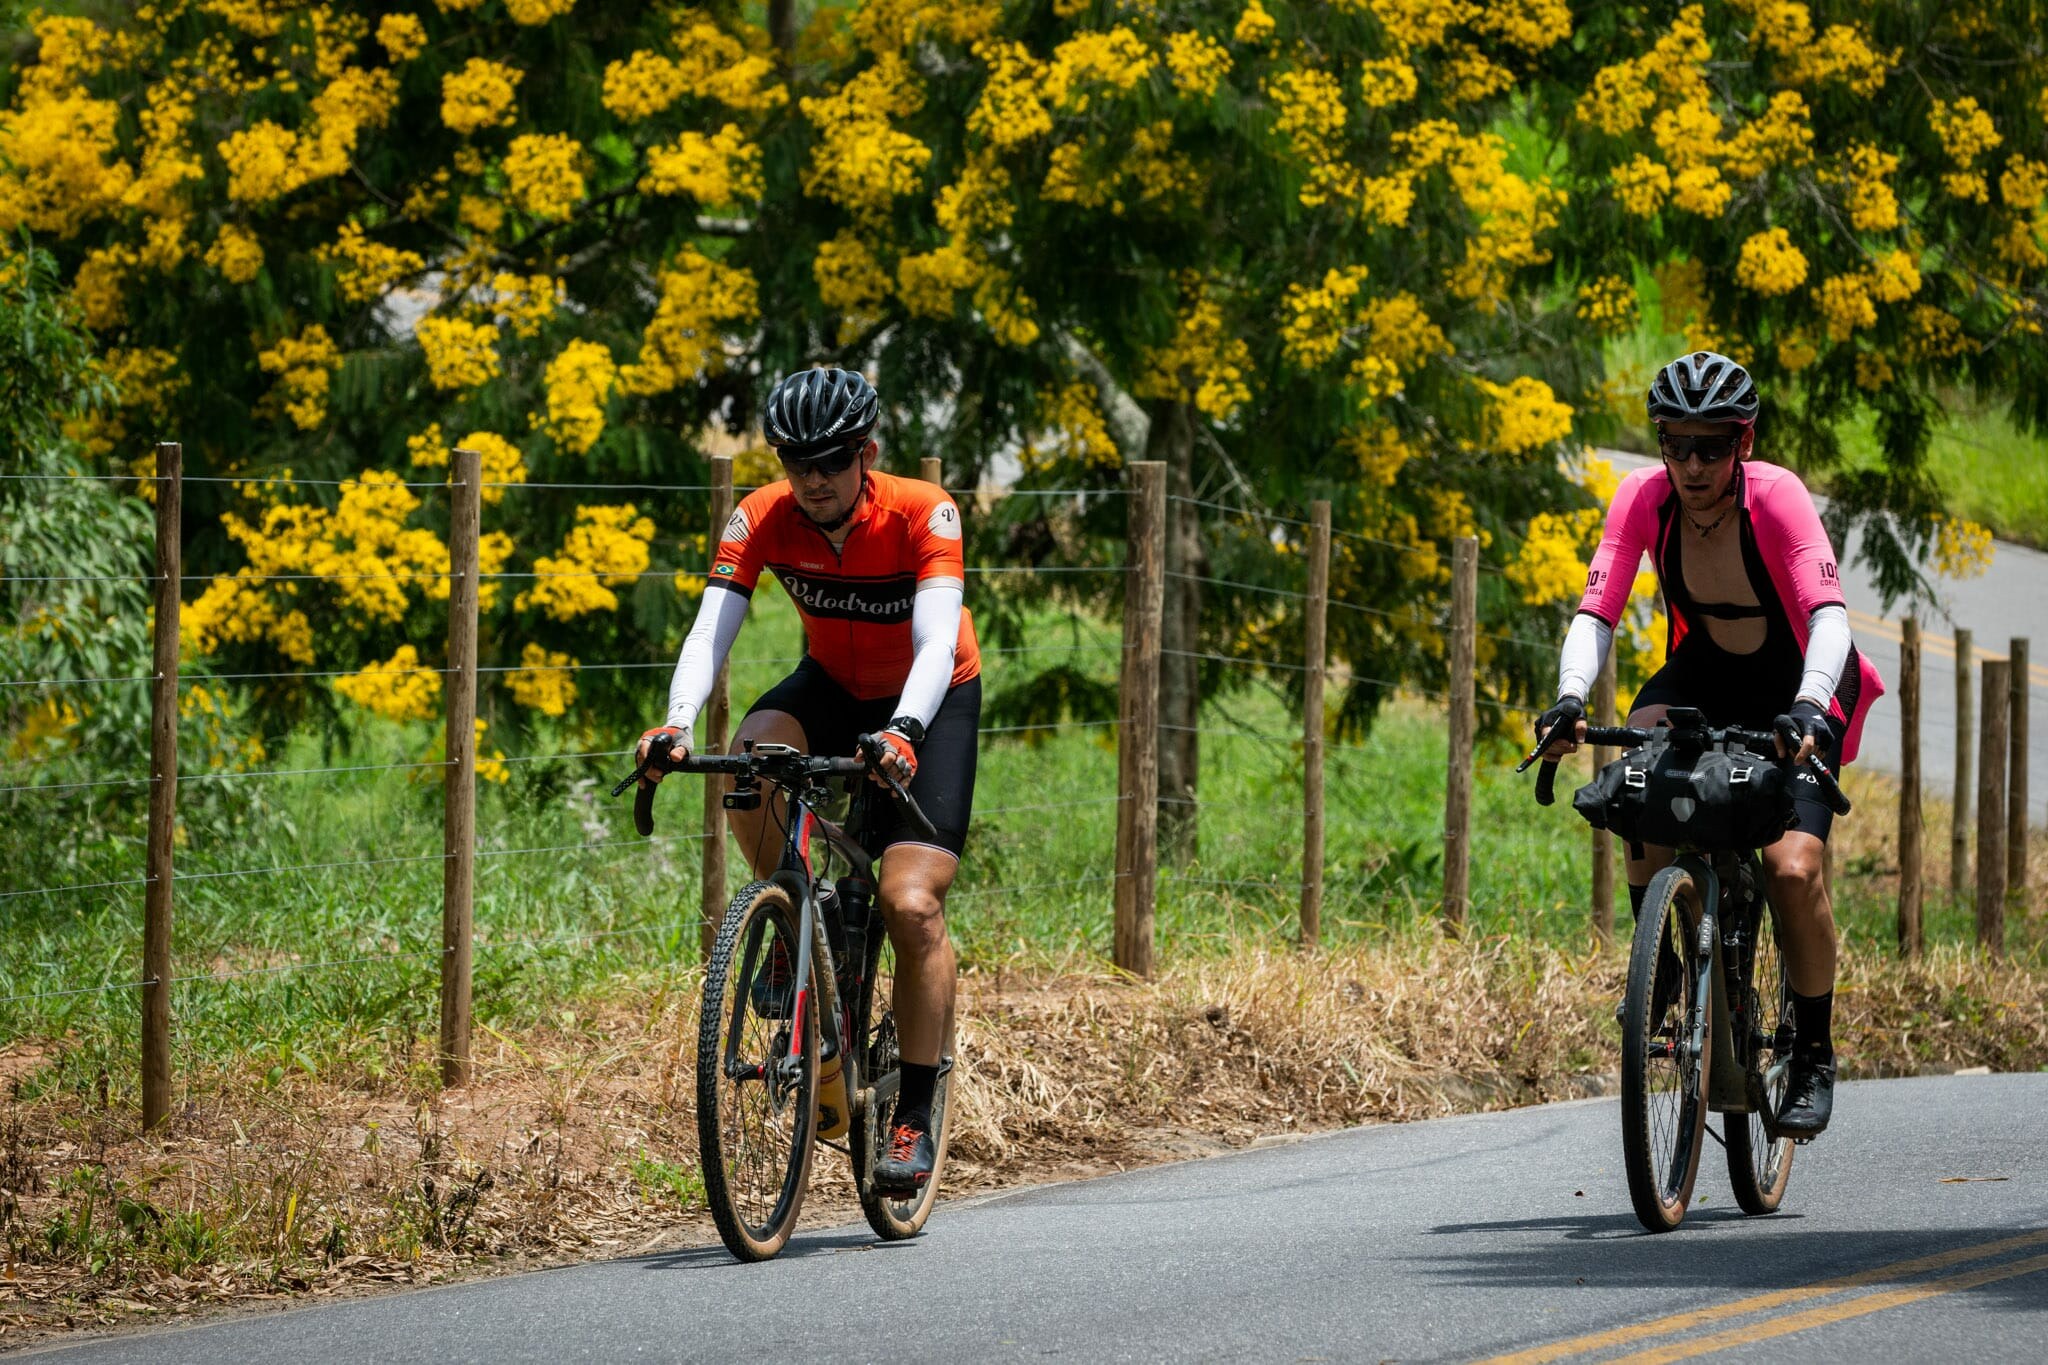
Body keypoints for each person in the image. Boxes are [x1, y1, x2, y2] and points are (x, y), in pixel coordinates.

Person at [638, 366, 981, 1193]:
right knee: (749, 761)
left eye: (830, 460)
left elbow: (936, 641)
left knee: (910, 903)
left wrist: (904, 730)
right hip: (829, 684)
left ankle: (912, 1114)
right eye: (797, 461)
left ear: (867, 454)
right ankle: (797, 914)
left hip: (928, 699)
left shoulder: (923, 510)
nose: (813, 478)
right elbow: (709, 631)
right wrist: (676, 724)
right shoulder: (763, 514)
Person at [1536, 350, 1885, 1137]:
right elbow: (1597, 612)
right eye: (1676, 444)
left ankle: (1813, 1049)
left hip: (1802, 680)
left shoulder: (1778, 498)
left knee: (1791, 868)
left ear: (1743, 443)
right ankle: (1663, 964)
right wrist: (1569, 698)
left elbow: (1828, 616)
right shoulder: (1644, 497)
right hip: (1707, 671)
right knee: (1636, 786)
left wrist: (1808, 706)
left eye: (1712, 446)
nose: (1692, 465)